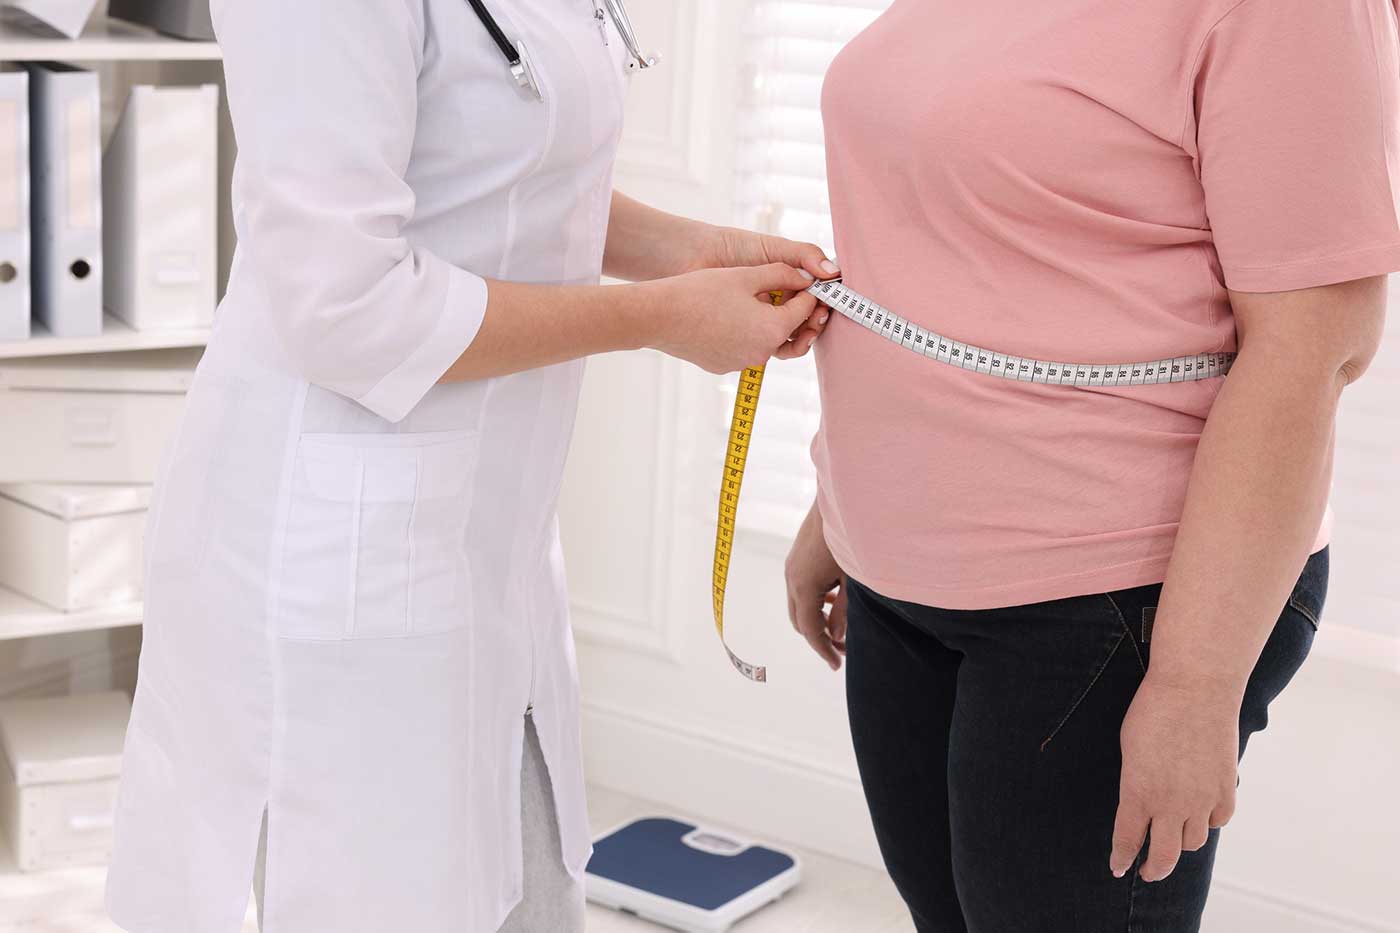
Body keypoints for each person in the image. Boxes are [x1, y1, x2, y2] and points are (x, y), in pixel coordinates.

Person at [103, 1, 838, 931]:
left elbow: (495, 160)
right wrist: (662, 318)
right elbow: (346, 305)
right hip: (335, 561)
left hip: (491, 546)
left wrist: (689, 254)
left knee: (523, 886)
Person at [783, 1, 1397, 930]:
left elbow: (1311, 350)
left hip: (1112, 606)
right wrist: (834, 505)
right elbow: (949, 248)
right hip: (896, 576)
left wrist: (1195, 685)